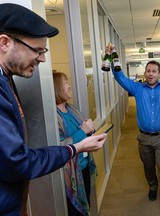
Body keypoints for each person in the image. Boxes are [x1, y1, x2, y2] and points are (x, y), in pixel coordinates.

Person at [0, 3, 107, 215]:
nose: (42, 59)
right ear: (4, 42)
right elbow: (16, 162)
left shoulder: (6, 79)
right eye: (37, 51)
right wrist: (74, 148)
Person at [108, 45, 160, 216]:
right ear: (145, 73)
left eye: (154, 71)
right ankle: (152, 185)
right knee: (148, 167)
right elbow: (119, 76)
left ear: (159, 73)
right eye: (148, 71)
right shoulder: (137, 89)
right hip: (143, 138)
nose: (150, 74)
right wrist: (112, 55)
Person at [53, 72, 97, 216]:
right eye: (65, 83)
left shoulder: (71, 109)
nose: (69, 86)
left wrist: (90, 130)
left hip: (83, 167)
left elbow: (83, 132)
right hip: (69, 174)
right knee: (75, 211)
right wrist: (83, 131)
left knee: (86, 206)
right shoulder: (53, 116)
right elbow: (60, 145)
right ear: (57, 88)